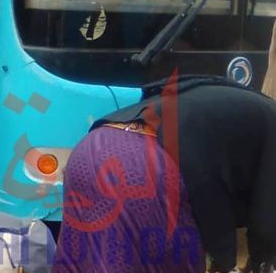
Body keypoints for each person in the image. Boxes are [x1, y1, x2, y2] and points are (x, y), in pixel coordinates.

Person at [54, 79, 276, 273]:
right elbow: (267, 226)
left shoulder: (253, 108)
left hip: (92, 148)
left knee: (85, 261)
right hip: (142, 170)